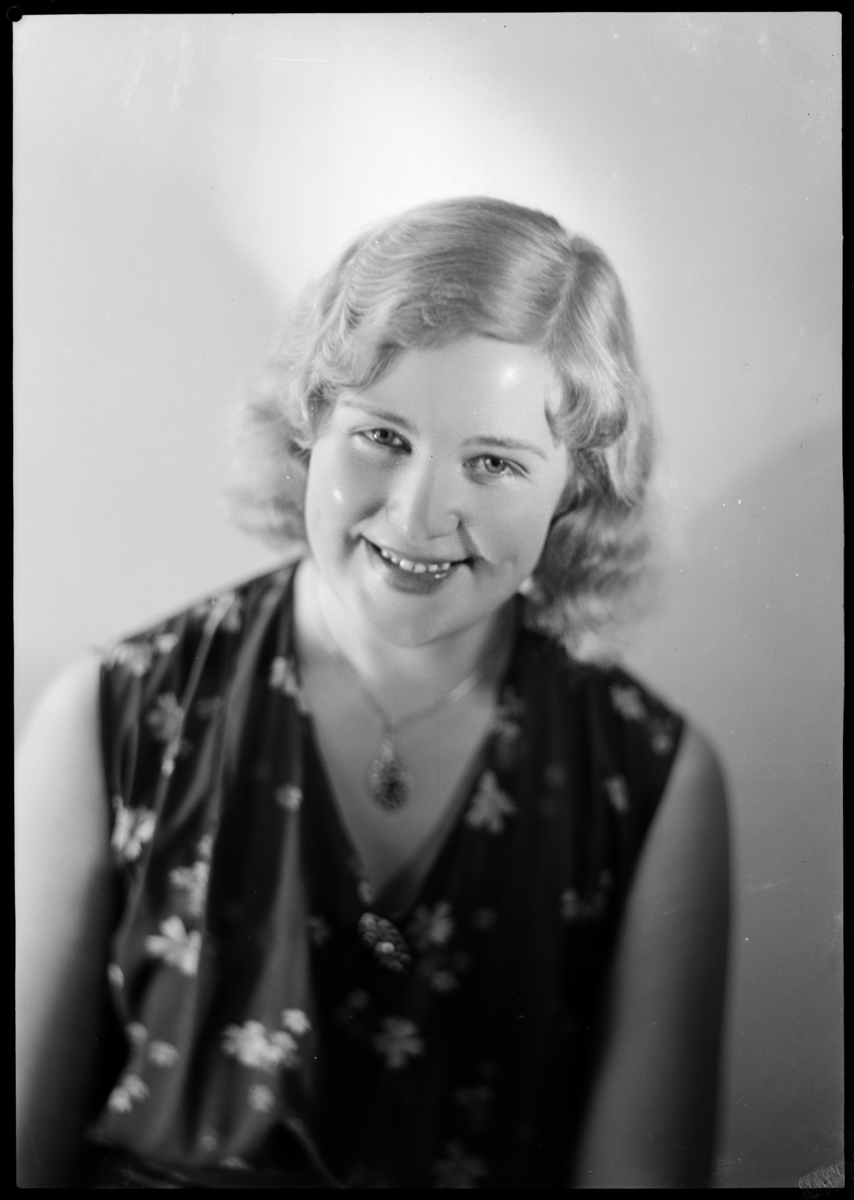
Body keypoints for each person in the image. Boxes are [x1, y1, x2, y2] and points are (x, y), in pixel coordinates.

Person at [16, 197, 730, 1188]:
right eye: (383, 436)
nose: (417, 513)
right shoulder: (106, 715)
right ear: (310, 420)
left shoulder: (656, 782)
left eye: (492, 461)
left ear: (574, 489)